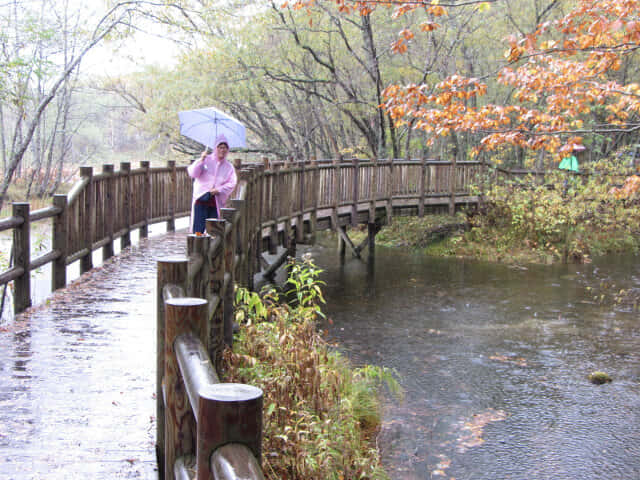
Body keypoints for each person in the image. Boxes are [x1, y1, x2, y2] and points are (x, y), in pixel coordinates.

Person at [187, 133, 237, 233]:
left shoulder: (229, 167)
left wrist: (218, 190)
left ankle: (211, 246)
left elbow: (232, 183)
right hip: (201, 197)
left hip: (216, 200)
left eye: (225, 148)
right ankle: (198, 246)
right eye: (220, 147)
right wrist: (200, 161)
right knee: (198, 228)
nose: (222, 150)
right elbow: (192, 173)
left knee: (213, 229)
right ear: (215, 148)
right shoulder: (206, 160)